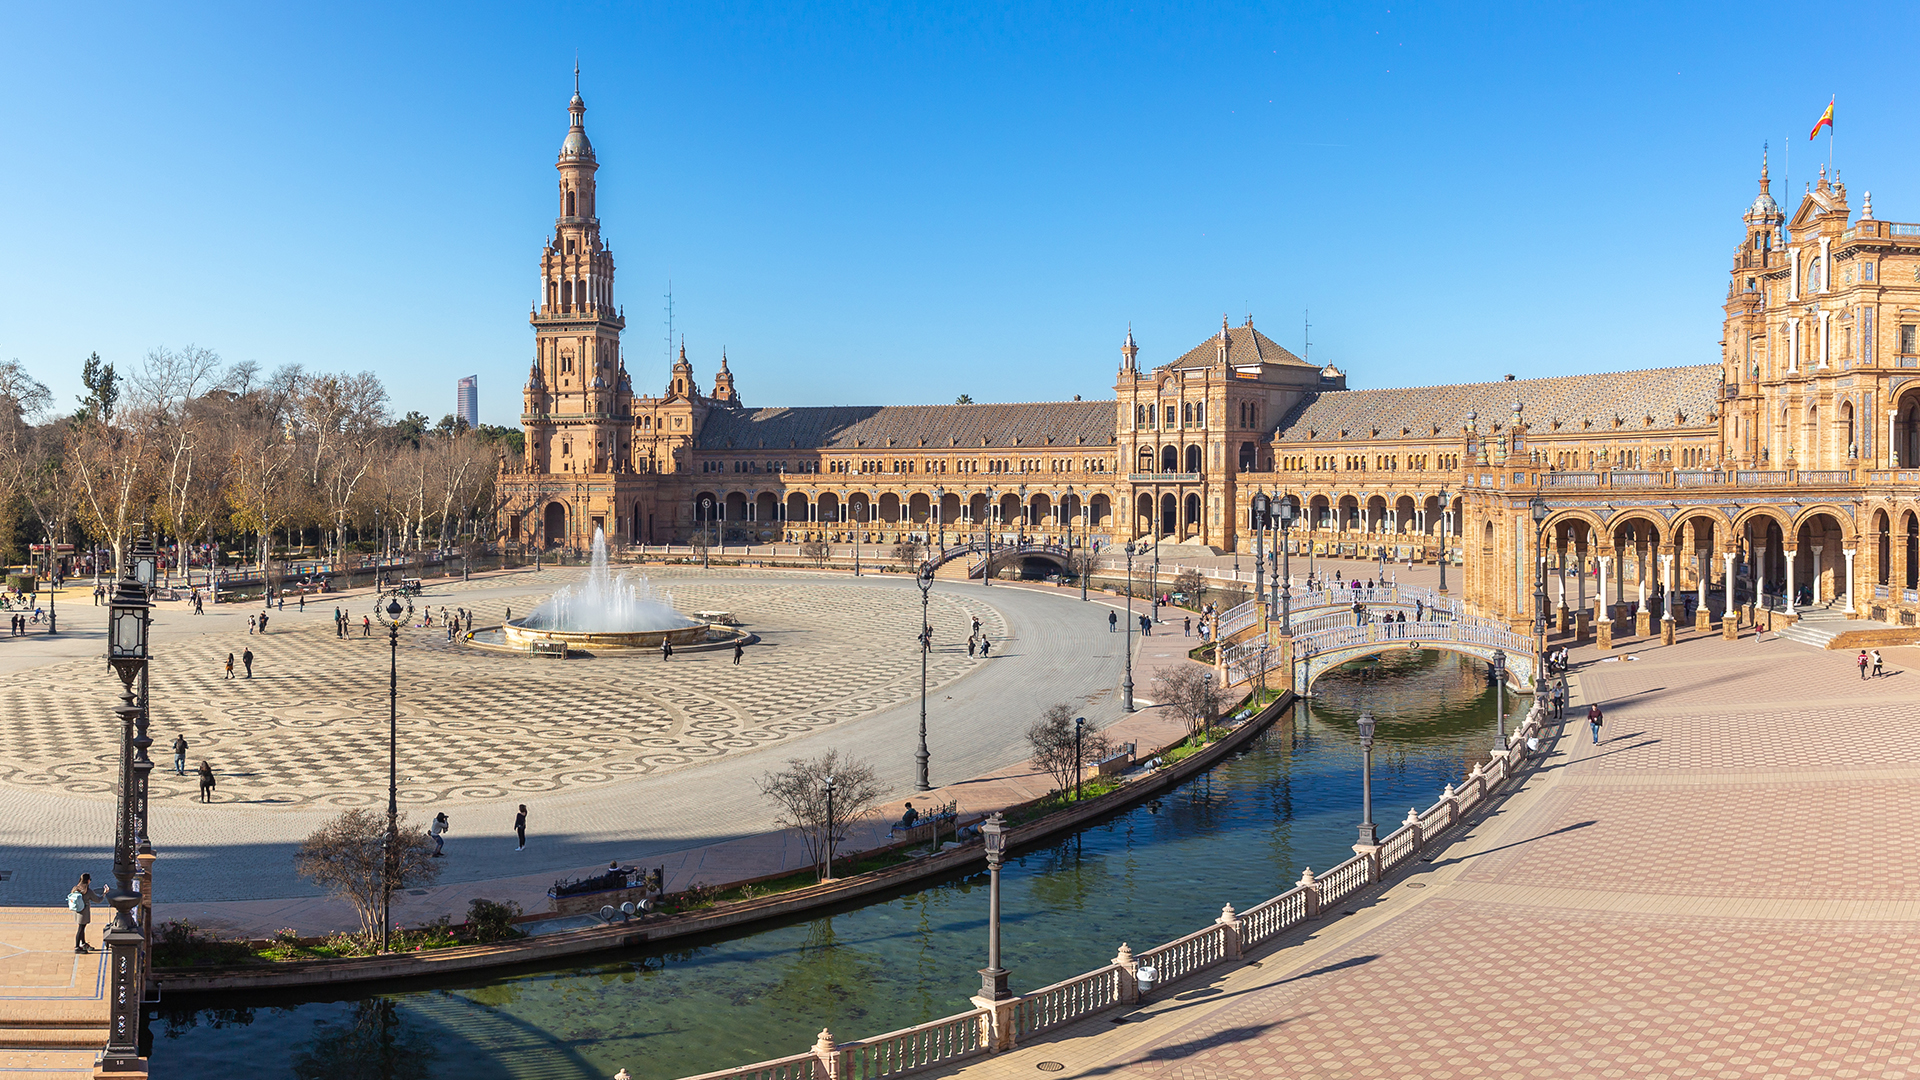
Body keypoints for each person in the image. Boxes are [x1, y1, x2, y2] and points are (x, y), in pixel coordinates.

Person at [68, 874, 102, 952]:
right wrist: (104, 893)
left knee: (82, 927)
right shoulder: (87, 891)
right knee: (81, 928)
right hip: (84, 912)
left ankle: (83, 943)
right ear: (87, 880)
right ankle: (77, 947)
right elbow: (98, 900)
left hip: (76, 911)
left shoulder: (75, 888)